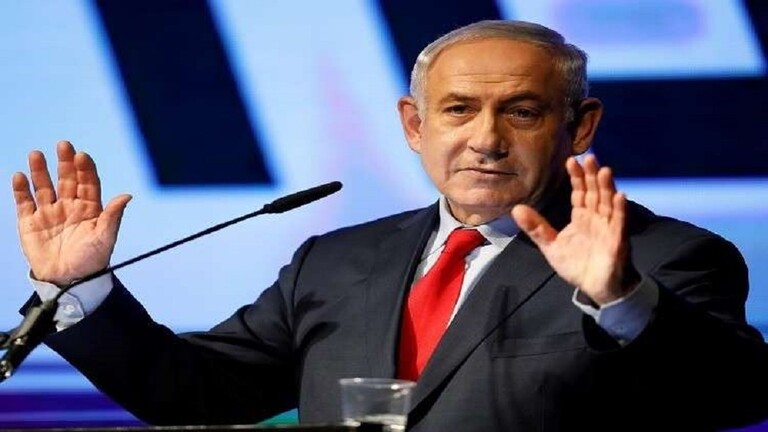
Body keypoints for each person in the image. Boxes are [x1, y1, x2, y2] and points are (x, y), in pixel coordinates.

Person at [10, 20, 768, 431]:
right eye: (458, 109)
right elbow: (193, 394)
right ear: (414, 125)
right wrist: (81, 289)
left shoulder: (665, 257)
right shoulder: (336, 261)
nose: (486, 139)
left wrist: (620, 300)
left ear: (580, 126)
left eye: (522, 111)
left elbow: (733, 398)